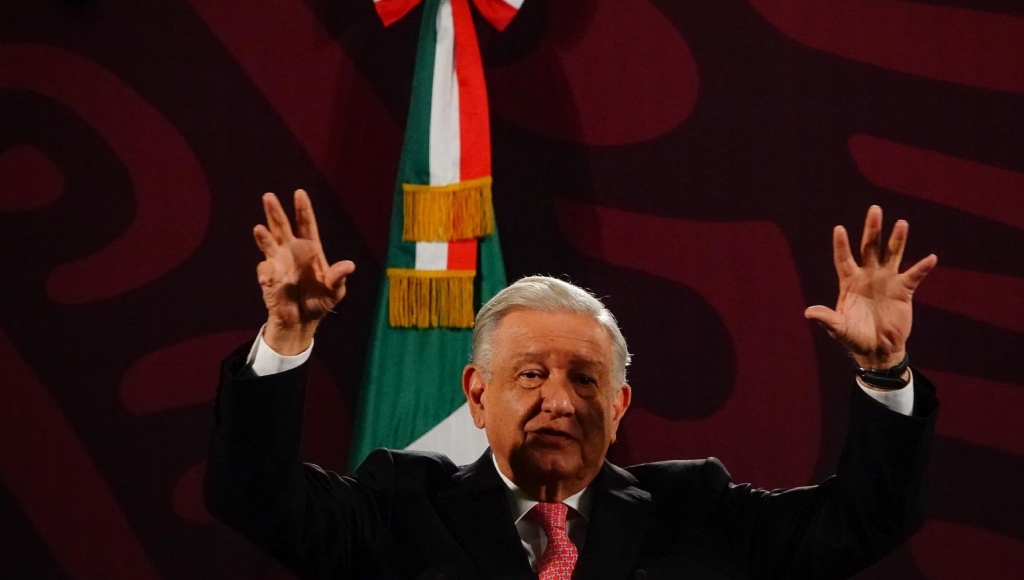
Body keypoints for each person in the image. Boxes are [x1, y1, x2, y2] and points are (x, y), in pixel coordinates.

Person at [205, 189, 939, 580]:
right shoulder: (400, 507)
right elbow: (253, 496)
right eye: (531, 374)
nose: (560, 400)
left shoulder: (698, 510)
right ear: (477, 394)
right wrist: (287, 340)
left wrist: (885, 372)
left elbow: (864, 521)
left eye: (586, 379)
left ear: (618, 405)